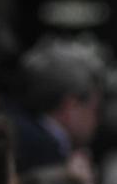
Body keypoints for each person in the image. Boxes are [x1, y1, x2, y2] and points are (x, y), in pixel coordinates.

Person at [8, 38, 104, 174]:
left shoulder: (11, 128)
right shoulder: (46, 154)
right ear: (71, 106)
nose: (97, 121)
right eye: (95, 109)